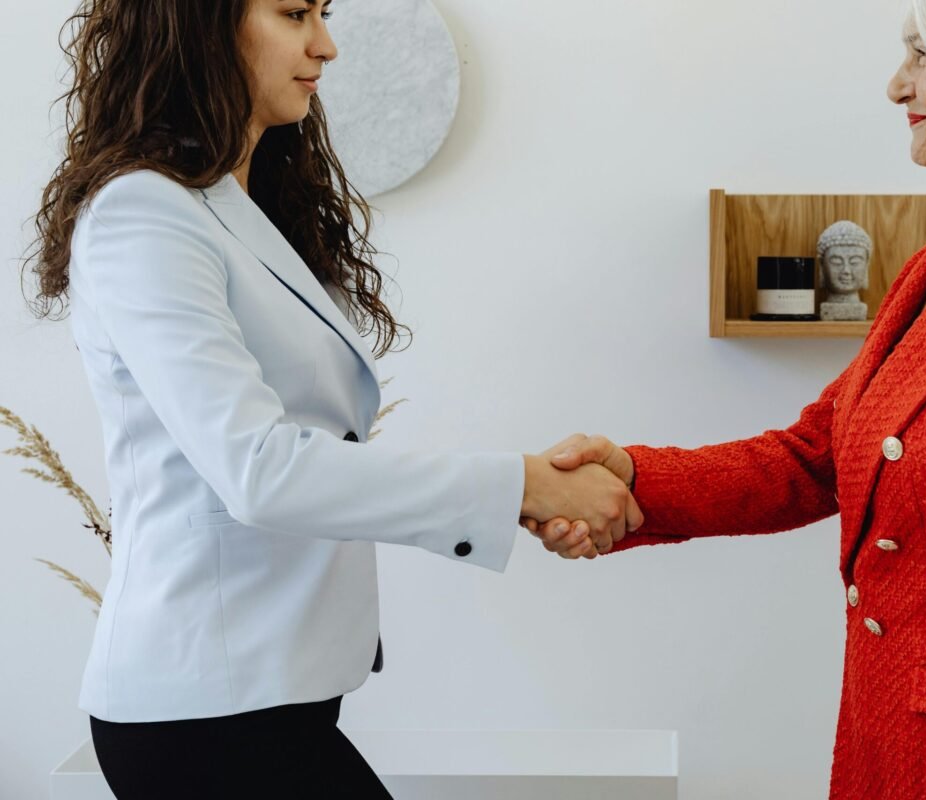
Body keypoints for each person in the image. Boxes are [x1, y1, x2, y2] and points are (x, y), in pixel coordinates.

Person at [530, 1, 926, 797]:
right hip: (895, 739)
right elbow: (816, 457)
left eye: (922, 55)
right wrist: (631, 479)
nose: (896, 85)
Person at [21, 0, 633, 797]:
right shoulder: (144, 215)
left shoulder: (229, 207)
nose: (327, 44)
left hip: (270, 699)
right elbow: (260, 469)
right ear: (202, 25)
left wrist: (524, 494)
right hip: (204, 711)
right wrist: (523, 484)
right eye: (293, 13)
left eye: (322, 12)